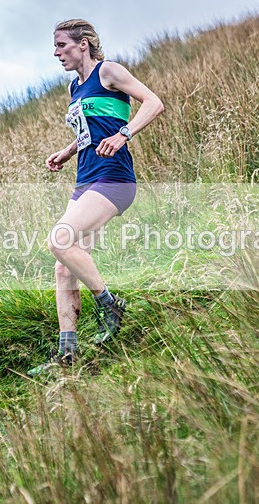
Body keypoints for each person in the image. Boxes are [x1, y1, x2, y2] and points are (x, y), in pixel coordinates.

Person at [28, 19, 164, 376]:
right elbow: (91, 128)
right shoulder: (75, 86)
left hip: (114, 177)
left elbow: (154, 103)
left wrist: (124, 134)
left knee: (58, 240)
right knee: (64, 265)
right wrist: (68, 151)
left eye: (61, 45)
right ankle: (68, 354)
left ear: (83, 44)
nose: (56, 53)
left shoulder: (109, 72)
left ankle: (109, 304)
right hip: (85, 180)